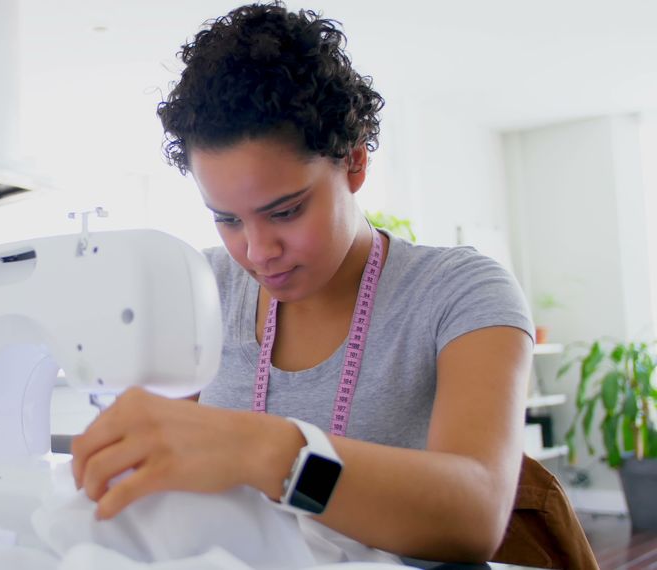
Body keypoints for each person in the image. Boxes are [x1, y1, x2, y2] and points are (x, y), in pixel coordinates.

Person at [70, 2, 534, 563]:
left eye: (286, 212)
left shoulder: (460, 292)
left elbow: (474, 516)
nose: (258, 252)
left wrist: (266, 451)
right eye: (228, 218)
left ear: (355, 163)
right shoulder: (199, 289)